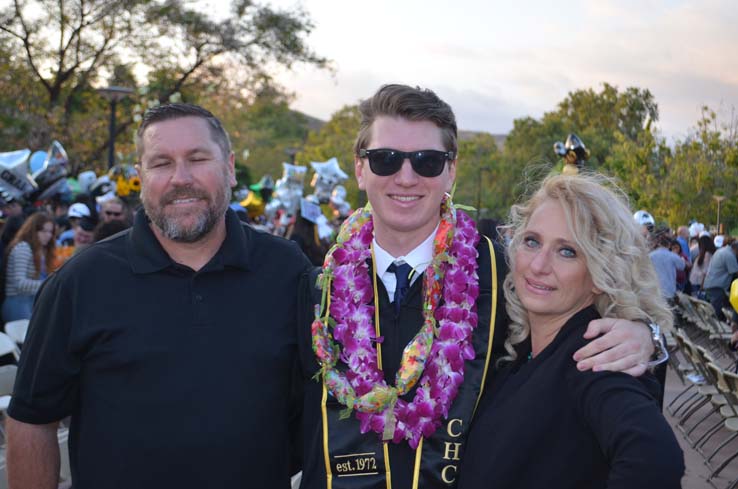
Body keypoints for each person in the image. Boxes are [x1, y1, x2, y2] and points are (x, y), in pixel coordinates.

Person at [298, 84, 660, 489]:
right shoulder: (313, 288)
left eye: (427, 161)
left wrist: (645, 333)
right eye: (385, 159)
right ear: (360, 169)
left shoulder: (506, 275)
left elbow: (593, 329)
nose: (405, 176)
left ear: (451, 170)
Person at [6, 103, 311, 489]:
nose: (180, 178)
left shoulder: (287, 271)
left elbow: (317, 406)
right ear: (140, 177)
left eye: (198, 158)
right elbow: (32, 419)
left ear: (230, 167)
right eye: (161, 163)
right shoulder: (80, 282)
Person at [458, 174, 684, 488]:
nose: (538, 265)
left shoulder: (595, 358)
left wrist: (648, 335)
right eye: (532, 241)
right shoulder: (521, 345)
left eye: (567, 252)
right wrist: (651, 334)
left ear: (600, 273)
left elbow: (656, 460)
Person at [1, 212, 56, 321]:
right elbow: (19, 283)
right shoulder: (23, 248)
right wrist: (48, 283)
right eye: (43, 231)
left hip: (30, 301)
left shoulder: (39, 248)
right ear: (33, 230)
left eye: (50, 231)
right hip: (18, 303)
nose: (48, 235)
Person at [703, 240, 738, 323]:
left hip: (711, 283)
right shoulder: (729, 255)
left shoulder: (721, 250)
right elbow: (735, 272)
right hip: (717, 286)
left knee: (716, 309)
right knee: (716, 312)